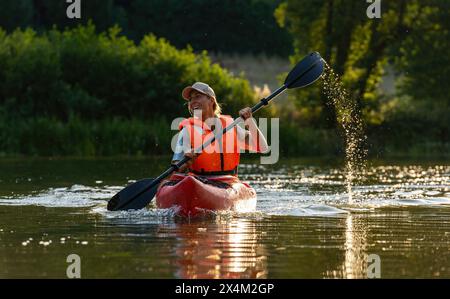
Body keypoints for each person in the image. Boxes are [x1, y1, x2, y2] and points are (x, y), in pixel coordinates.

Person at [172, 82, 268, 176]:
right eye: (190, 99)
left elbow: (263, 147)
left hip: (229, 183)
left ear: (211, 99)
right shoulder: (187, 131)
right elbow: (176, 169)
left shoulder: (231, 126)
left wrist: (249, 122)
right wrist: (186, 163)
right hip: (199, 182)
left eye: (197, 96)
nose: (192, 102)